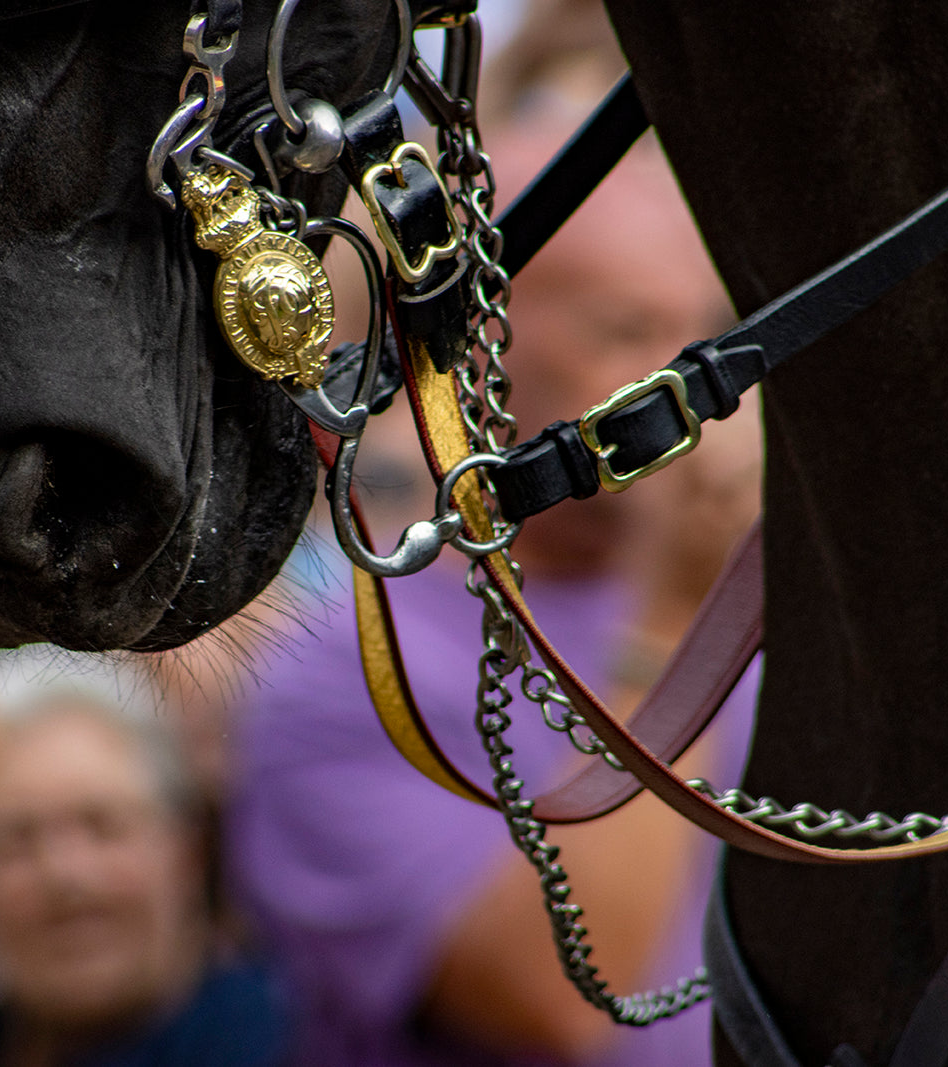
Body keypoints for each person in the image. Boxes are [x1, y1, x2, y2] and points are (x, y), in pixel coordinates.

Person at [224, 102, 761, 1065]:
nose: (696, 386)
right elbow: (565, 1002)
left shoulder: (786, 593)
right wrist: (682, 620)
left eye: (706, 335)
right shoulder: (345, 659)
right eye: (629, 329)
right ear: (475, 355)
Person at [0, 693, 291, 1067]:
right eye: (16, 840)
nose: (65, 874)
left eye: (103, 826)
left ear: (188, 853)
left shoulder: (295, 1041)